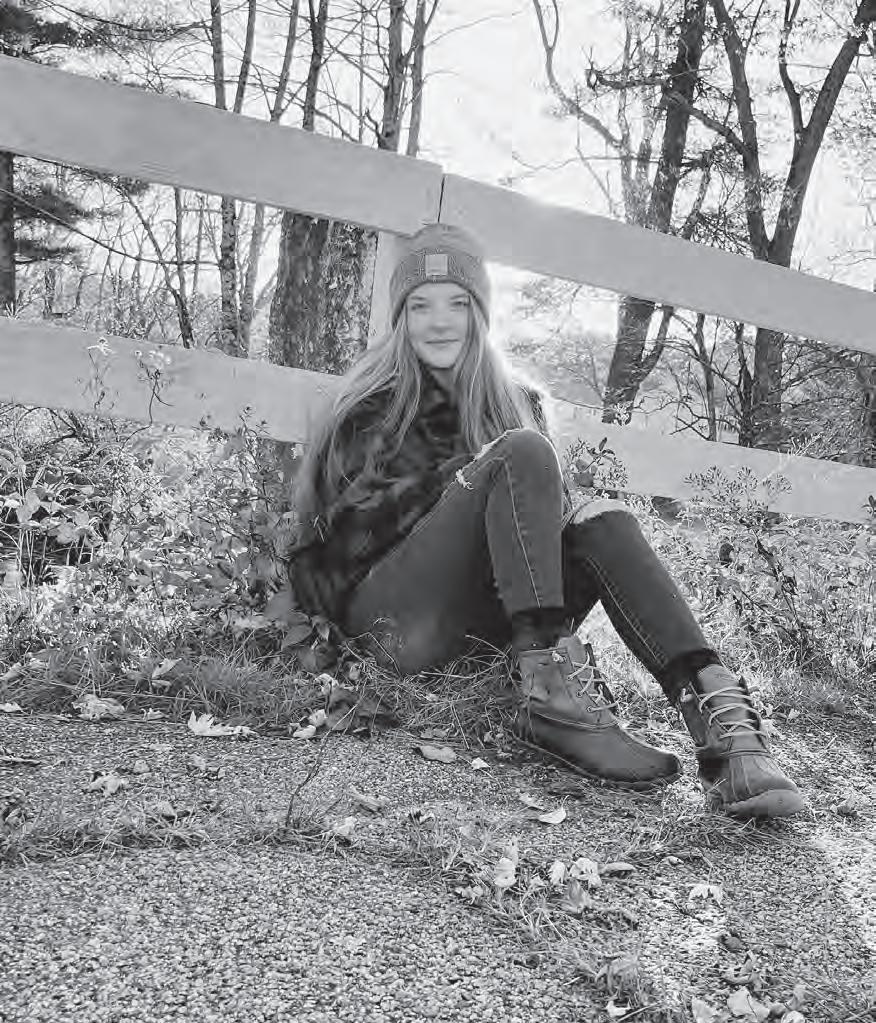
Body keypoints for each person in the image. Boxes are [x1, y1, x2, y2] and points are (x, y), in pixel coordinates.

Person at [287, 222, 806, 821]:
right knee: (524, 452)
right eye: (420, 306)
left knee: (603, 519)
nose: (439, 321)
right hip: (394, 627)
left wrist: (522, 497)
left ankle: (723, 724)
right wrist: (479, 480)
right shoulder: (370, 408)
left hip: (487, 634)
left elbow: (545, 534)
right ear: (400, 318)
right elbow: (344, 544)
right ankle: (553, 699)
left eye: (458, 303)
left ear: (481, 313)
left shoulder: (517, 403)